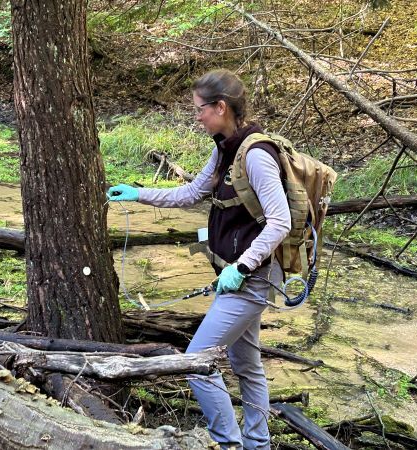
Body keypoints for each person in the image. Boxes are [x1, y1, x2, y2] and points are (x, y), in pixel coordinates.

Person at [108, 69, 291, 450]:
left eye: (200, 109)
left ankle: (229, 444)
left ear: (221, 107)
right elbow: (192, 193)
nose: (197, 117)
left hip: (250, 281)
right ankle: (258, 444)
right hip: (236, 277)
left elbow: (280, 222)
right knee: (247, 366)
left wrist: (242, 267)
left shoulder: (256, 156)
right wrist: (138, 194)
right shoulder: (224, 148)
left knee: (196, 363)